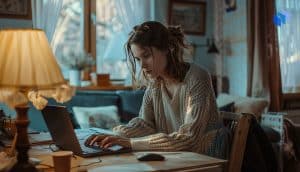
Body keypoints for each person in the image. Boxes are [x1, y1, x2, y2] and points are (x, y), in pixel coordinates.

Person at [85, 21, 226, 158]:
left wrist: (130, 143)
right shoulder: (155, 83)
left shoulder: (197, 77)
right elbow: (146, 124)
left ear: (167, 48)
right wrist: (114, 135)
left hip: (206, 157)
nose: (142, 66)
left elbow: (189, 139)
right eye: (138, 59)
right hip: (177, 156)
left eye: (146, 56)